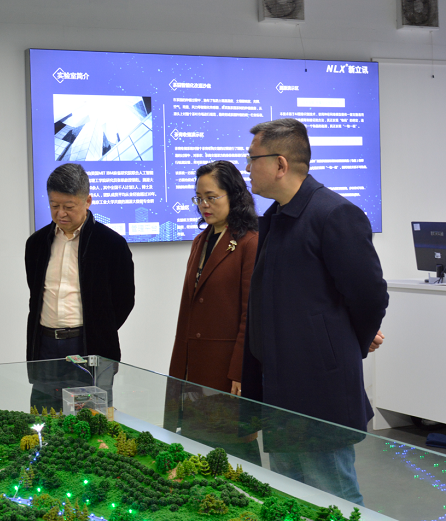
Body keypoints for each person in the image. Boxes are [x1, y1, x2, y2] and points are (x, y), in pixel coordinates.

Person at [242, 118, 388, 504]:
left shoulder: (333, 214)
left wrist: (346, 342)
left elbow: (370, 294)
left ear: (280, 164)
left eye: (252, 158)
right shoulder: (276, 217)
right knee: (290, 495)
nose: (247, 167)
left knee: (332, 495)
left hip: (318, 389)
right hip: (281, 386)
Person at [164, 160, 260, 464]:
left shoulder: (249, 242)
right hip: (194, 366)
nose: (204, 205)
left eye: (211, 197)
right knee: (197, 449)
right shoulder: (201, 240)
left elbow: (250, 314)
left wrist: (240, 371)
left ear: (234, 195)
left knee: (235, 453)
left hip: (225, 368)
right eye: (199, 198)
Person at [25, 163, 135, 410]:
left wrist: (98, 329)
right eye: (54, 206)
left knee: (89, 420)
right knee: (43, 417)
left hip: (88, 346)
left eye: (68, 206)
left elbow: (124, 300)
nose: (60, 213)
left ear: (87, 201)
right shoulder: (36, 243)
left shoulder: (111, 244)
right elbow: (35, 294)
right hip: (45, 346)